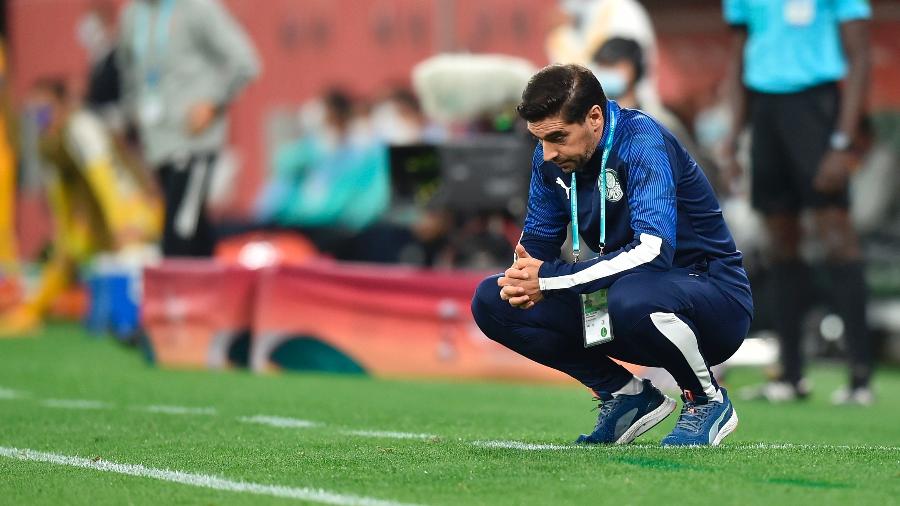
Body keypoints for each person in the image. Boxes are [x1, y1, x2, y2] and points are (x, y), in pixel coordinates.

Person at [470, 64, 753, 446]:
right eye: (540, 140)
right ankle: (625, 395)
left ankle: (707, 400)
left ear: (595, 117)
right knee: (493, 300)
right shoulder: (550, 159)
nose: (548, 153)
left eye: (557, 137)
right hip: (626, 306)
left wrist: (549, 280)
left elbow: (653, 252)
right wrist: (522, 277)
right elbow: (536, 240)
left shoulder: (642, 141)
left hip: (713, 303)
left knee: (629, 295)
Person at [721, 0, 873, 405]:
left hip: (818, 106)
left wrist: (843, 141)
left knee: (837, 235)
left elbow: (859, 57)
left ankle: (860, 378)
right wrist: (733, 135)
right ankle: (790, 375)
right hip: (764, 110)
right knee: (779, 240)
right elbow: (737, 59)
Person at [0, 79, 160, 336]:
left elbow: (105, 180)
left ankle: (145, 322)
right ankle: (30, 310)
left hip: (131, 208)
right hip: (97, 218)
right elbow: (60, 202)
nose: (40, 117)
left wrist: (123, 225)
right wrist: (66, 237)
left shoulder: (81, 127)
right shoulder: (48, 145)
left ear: (62, 106)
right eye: (34, 111)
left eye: (45, 109)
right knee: (68, 251)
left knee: (132, 256)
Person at [117, 0, 260, 257]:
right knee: (195, 232)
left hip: (193, 142)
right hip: (156, 143)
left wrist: (213, 102)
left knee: (178, 235)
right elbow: (128, 74)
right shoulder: (131, 15)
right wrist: (132, 116)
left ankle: (174, 295)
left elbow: (245, 61)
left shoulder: (198, 8)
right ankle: (217, 291)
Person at [589, 37, 721, 192]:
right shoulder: (593, 123)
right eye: (602, 67)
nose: (605, 74)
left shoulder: (661, 121)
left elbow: (695, 176)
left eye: (611, 66)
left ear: (631, 68)